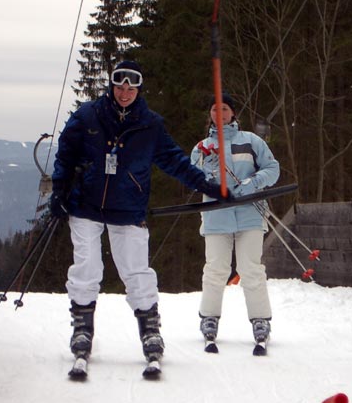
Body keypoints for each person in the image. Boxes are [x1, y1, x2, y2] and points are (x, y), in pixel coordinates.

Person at [50, 60, 224, 370]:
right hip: (85, 204)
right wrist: (60, 191)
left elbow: (175, 162)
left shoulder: (150, 124)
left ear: (139, 89)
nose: (125, 91)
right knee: (87, 265)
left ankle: (150, 331)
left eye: (131, 86)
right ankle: (82, 329)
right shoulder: (88, 115)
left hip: (128, 207)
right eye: (120, 85)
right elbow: (65, 154)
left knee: (135, 270)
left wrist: (207, 186)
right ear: (111, 86)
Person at [190, 92, 280, 355]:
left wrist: (251, 185)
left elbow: (272, 169)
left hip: (250, 215)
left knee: (250, 268)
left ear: (233, 113)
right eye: (215, 109)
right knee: (216, 268)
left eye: (225, 109)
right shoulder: (202, 147)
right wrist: (209, 179)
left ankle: (261, 320)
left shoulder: (251, 141)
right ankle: (209, 317)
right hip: (216, 217)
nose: (220, 114)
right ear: (210, 114)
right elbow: (191, 176)